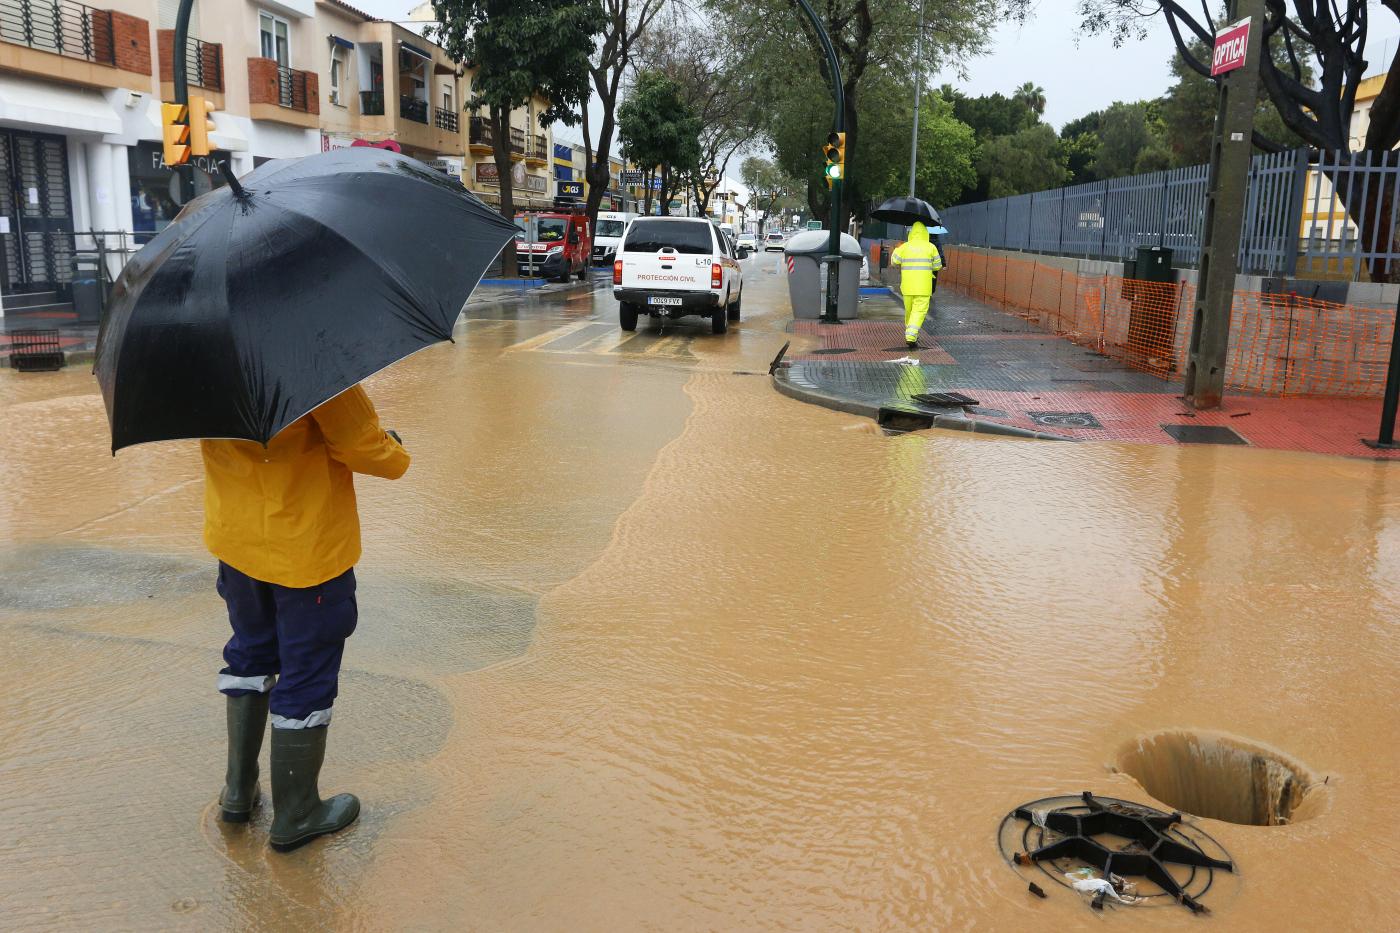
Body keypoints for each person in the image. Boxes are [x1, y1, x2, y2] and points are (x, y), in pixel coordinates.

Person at [203, 384, 409, 852]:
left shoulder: (197, 365)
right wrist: (396, 451)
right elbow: (364, 447)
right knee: (307, 672)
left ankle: (238, 793)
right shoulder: (314, 364)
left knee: (249, 654)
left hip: (236, 544)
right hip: (306, 551)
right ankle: (297, 812)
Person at [889, 221, 944, 350]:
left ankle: (912, 334)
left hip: (907, 287)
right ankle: (911, 335)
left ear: (911, 233)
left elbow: (894, 261)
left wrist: (897, 248)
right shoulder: (931, 247)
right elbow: (938, 266)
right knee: (919, 311)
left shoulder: (904, 247)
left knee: (909, 312)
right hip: (924, 287)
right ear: (926, 233)